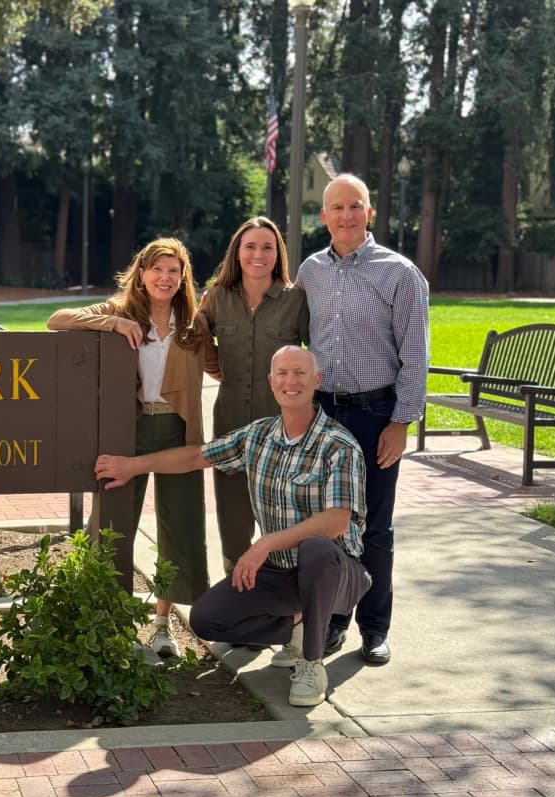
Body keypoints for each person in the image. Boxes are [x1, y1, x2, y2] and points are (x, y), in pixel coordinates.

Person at [94, 346, 371, 707]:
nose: (291, 381)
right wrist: (132, 466)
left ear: (317, 380)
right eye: (283, 373)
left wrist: (265, 543)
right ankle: (298, 624)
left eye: (300, 373)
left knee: (316, 548)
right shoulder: (258, 436)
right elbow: (196, 456)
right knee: (207, 619)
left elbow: (336, 520)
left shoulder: (338, 444)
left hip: (337, 573)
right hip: (280, 573)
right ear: (271, 382)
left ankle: (311, 663)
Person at [47, 237, 212, 657]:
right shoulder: (120, 310)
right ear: (141, 273)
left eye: (174, 271)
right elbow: (57, 319)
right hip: (129, 429)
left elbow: (217, 364)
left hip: (178, 429)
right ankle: (104, 620)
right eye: (157, 269)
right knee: (111, 523)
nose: (165, 277)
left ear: (183, 278)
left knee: (180, 528)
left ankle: (162, 624)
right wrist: (113, 324)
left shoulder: (193, 324)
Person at [295, 173, 430, 666]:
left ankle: (374, 629)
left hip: (377, 415)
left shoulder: (400, 273)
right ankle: (333, 621)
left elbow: (416, 356)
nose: (346, 215)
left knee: (374, 527)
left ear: (369, 212)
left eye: (355, 206)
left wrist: (402, 422)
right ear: (324, 216)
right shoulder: (310, 271)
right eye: (337, 207)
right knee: (327, 526)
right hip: (323, 415)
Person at [202, 216, 309, 575]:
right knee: (232, 513)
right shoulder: (217, 298)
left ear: (278, 255)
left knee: (281, 511)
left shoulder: (296, 299)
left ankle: (282, 589)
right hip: (229, 419)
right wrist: (219, 370)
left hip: (281, 426)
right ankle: (237, 585)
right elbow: (198, 341)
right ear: (237, 252)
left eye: (267, 247)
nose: (258, 255)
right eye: (250, 246)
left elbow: (315, 356)